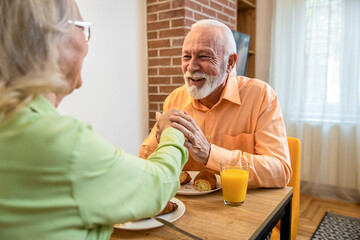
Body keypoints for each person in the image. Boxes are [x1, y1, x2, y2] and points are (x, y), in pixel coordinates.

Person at [0, 1, 188, 239]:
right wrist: (172, 130)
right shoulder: (64, 144)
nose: (86, 44)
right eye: (82, 27)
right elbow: (159, 184)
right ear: (50, 40)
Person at [140, 19, 292, 188]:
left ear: (230, 63)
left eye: (204, 56)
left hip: (241, 206)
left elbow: (280, 171)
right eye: (186, 57)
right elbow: (145, 163)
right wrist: (159, 138)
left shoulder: (261, 96)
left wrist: (209, 153)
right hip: (187, 208)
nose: (191, 67)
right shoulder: (175, 99)